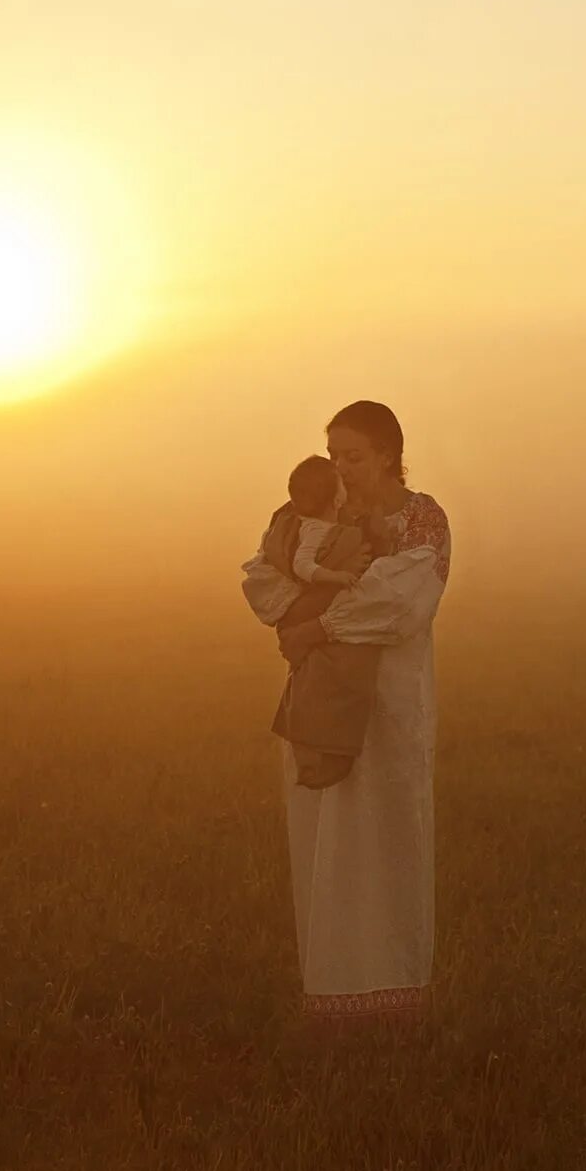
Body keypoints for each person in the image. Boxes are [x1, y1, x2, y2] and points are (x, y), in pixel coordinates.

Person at [240, 400, 451, 1032]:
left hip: (391, 707)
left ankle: (394, 996)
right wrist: (302, 618)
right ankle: (330, 994)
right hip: (319, 703)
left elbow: (400, 604)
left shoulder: (422, 519)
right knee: (322, 838)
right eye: (333, 455)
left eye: (353, 456)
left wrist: (317, 625)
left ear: (389, 454)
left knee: (387, 836)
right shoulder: (309, 510)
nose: (340, 468)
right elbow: (260, 575)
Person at [258, 455, 377, 790]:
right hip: (308, 602)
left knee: (320, 677)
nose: (342, 470)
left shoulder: (327, 523)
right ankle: (319, 754)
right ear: (335, 496)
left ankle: (321, 752)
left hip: (314, 608)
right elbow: (303, 566)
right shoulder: (312, 529)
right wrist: (339, 572)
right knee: (319, 678)